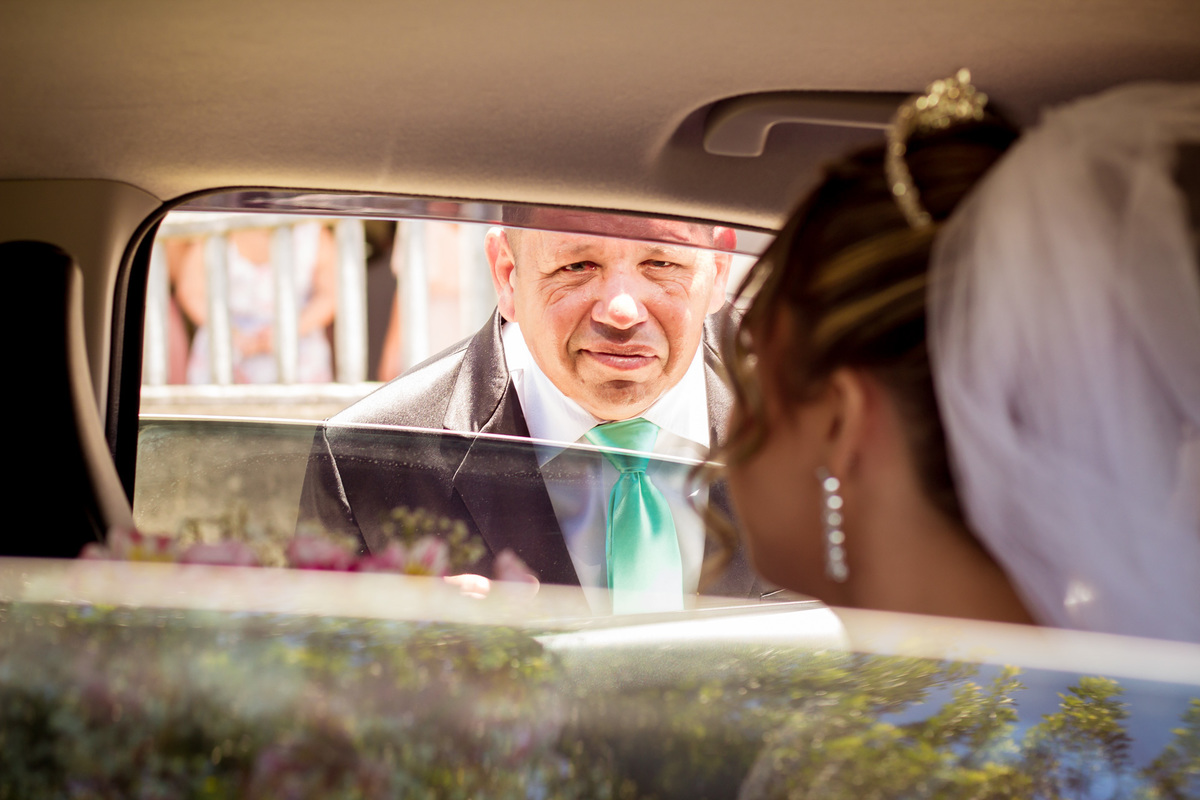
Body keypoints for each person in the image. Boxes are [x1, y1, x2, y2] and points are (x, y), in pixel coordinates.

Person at [720, 72, 1200, 642]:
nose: (729, 428)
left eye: (752, 367)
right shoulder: (1123, 712)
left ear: (841, 419)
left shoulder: (884, 727)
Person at [300, 208, 762, 611]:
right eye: (577, 265)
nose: (621, 310)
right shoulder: (367, 459)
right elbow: (316, 685)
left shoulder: (818, 409)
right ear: (507, 273)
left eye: (661, 262)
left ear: (719, 267)